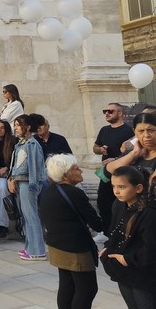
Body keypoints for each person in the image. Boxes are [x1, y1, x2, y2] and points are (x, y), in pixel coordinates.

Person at [39, 154, 103, 309]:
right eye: (76, 168)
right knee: (87, 289)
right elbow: (96, 223)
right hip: (76, 249)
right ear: (65, 174)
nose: (81, 171)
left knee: (67, 286)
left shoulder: (47, 192)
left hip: (57, 246)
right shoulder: (74, 193)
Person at [101, 166, 156, 309]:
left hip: (142, 275)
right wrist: (107, 248)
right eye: (113, 186)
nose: (116, 191)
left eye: (121, 187)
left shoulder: (149, 213)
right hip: (122, 271)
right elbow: (114, 231)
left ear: (138, 188)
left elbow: (151, 248)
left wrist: (127, 259)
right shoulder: (118, 205)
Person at [93, 103, 135, 243]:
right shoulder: (104, 130)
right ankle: (106, 231)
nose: (107, 113)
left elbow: (132, 152)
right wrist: (100, 150)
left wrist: (116, 159)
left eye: (110, 111)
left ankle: (121, 232)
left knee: (119, 202)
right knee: (102, 200)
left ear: (120, 113)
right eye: (105, 111)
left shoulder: (129, 131)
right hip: (106, 172)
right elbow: (95, 147)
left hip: (123, 172)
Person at [8, 114, 47, 261]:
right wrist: (12, 179)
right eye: (16, 125)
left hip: (28, 184)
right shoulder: (22, 143)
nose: (16, 128)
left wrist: (28, 183)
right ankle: (30, 247)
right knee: (26, 216)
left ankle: (37, 251)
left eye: (18, 125)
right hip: (21, 183)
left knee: (31, 216)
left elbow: (34, 168)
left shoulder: (32, 144)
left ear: (28, 127)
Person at [104, 112, 156, 177]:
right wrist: (134, 154)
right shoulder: (134, 151)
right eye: (141, 131)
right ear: (135, 132)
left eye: (151, 130)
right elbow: (108, 172)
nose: (146, 135)